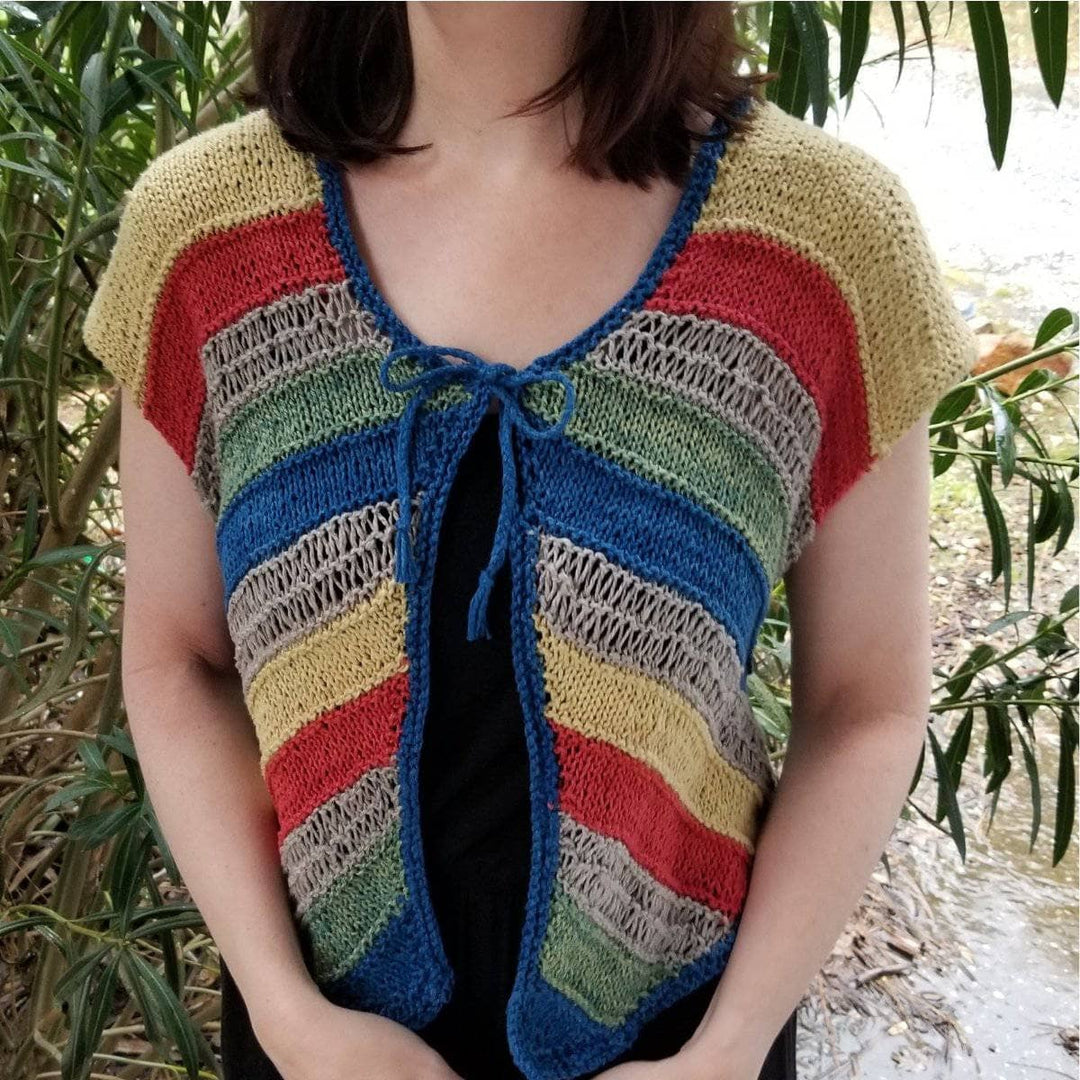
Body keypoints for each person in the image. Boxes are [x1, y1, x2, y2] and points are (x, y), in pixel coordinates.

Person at [81, 4, 979, 1080]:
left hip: (683, 1031)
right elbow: (175, 659)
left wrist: (728, 1051)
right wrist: (288, 1016)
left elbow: (865, 705)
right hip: (318, 1033)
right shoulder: (203, 233)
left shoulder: (821, 243)